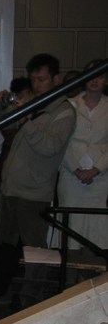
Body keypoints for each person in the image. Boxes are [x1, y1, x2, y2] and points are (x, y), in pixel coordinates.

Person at [0, 53, 76, 306]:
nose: (36, 85)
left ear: (56, 79)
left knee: (35, 250)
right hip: (10, 188)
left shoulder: (64, 111)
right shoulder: (32, 102)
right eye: (33, 80)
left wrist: (27, 117)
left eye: (42, 79)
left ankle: (32, 299)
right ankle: (0, 292)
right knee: (4, 246)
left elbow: (49, 147)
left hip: (34, 193)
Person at [57, 59, 108, 250]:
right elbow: (61, 141)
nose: (95, 80)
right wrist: (76, 169)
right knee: (71, 226)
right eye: (91, 75)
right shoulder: (69, 105)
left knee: (97, 230)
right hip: (71, 175)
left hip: (100, 178)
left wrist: (96, 169)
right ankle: (69, 266)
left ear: (106, 81)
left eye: (100, 76)